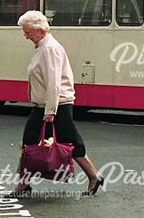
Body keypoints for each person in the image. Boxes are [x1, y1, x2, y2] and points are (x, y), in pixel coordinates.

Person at [10, 10, 103, 197]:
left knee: (66, 142)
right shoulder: (43, 46)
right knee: (33, 142)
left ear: (38, 30)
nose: (25, 35)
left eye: (27, 31)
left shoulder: (49, 49)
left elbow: (54, 82)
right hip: (47, 105)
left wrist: (50, 111)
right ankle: (23, 185)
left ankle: (23, 186)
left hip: (55, 105)